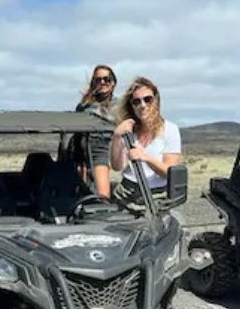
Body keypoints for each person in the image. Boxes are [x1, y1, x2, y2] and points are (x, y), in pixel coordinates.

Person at [110, 77, 181, 212]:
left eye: (147, 99)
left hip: (156, 197)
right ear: (131, 106)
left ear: (156, 101)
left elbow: (169, 173)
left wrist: (145, 157)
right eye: (136, 102)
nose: (142, 105)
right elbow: (117, 166)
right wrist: (117, 137)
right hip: (126, 193)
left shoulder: (170, 130)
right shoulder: (128, 130)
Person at [75, 64, 118, 198]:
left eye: (107, 79)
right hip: (84, 154)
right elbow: (76, 135)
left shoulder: (120, 106)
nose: (102, 82)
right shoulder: (84, 106)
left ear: (113, 83)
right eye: (98, 80)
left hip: (104, 153)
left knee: (102, 197)